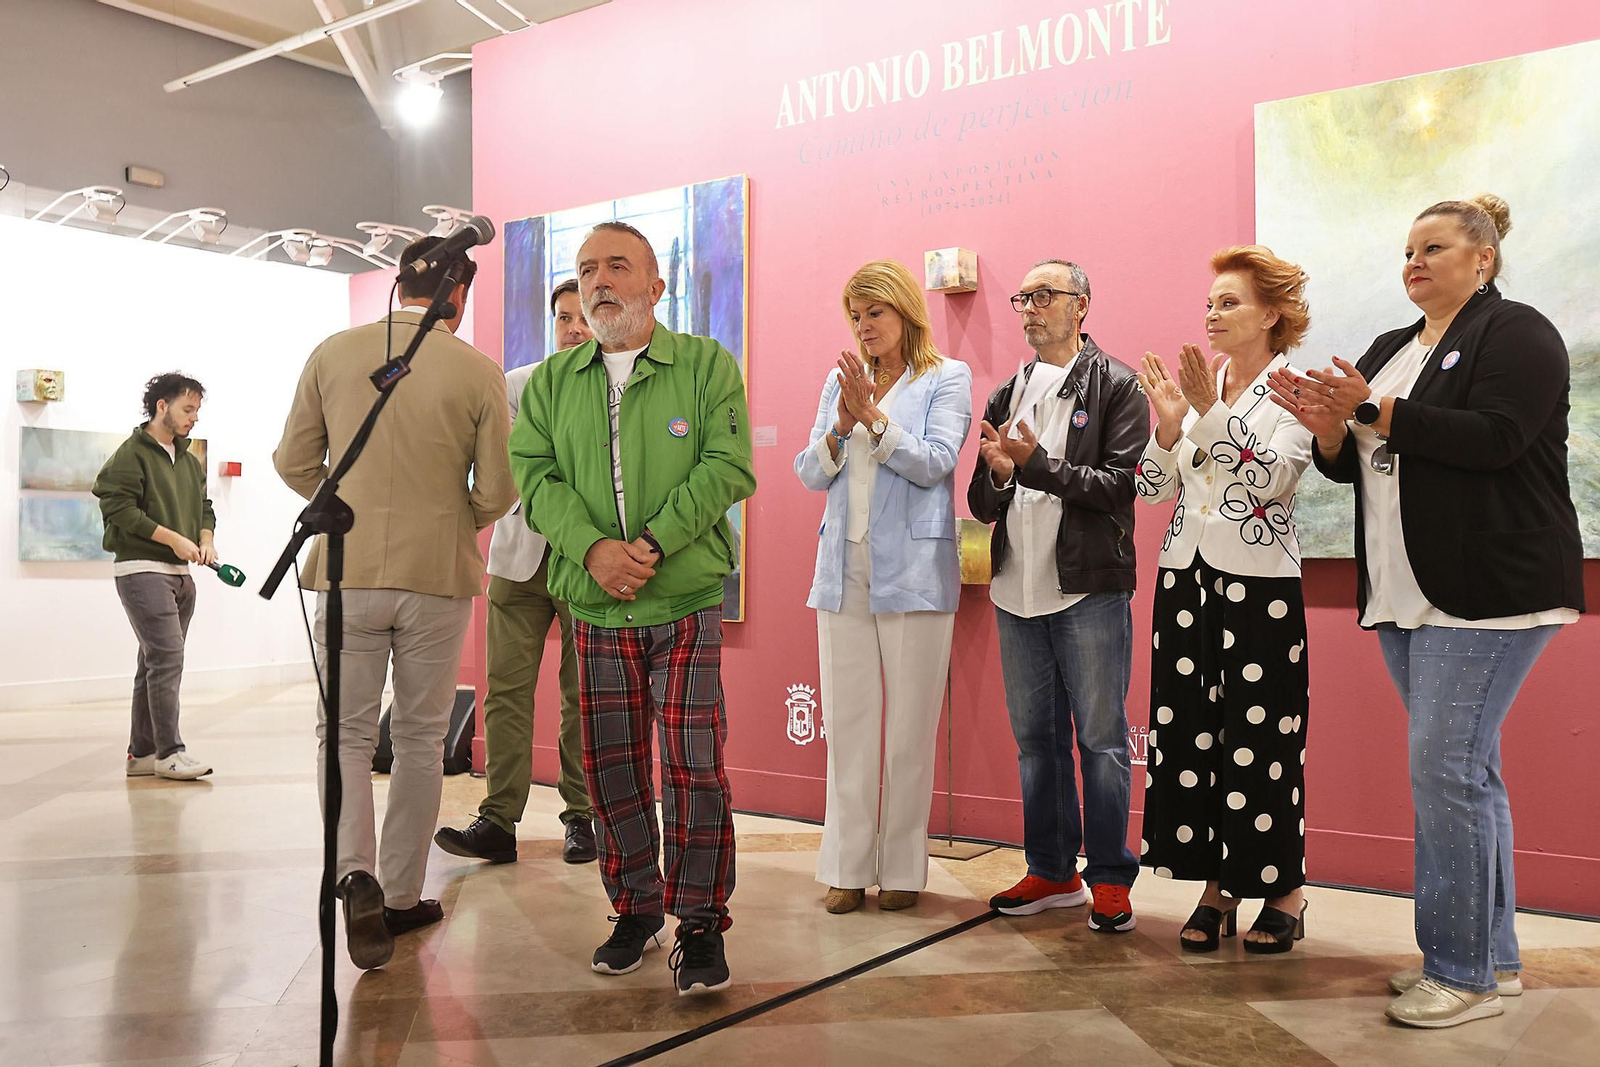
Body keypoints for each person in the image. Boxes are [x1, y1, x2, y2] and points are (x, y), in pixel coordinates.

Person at [1267, 194, 1583, 1028]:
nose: (1414, 262)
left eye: (1433, 248)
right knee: (1467, 772)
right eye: (1408, 250)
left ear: (1483, 258)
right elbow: (1349, 464)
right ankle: (1493, 959)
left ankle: (1460, 971)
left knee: (1446, 773)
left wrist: (1368, 409)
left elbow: (1497, 437)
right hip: (1405, 591)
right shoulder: (1390, 349)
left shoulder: (1518, 333)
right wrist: (1328, 428)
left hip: (1489, 588)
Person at [509, 221, 755, 996]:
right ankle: (636, 908)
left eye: (618, 265)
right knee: (610, 764)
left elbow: (728, 466)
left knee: (693, 763)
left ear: (657, 283)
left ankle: (701, 921)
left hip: (682, 596)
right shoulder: (552, 382)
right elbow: (534, 476)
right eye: (587, 269)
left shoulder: (706, 365)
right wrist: (592, 550)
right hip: (594, 601)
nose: (600, 281)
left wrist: (649, 544)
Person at [273, 237, 516, 971]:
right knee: (418, 738)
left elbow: (292, 460)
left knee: (344, 734)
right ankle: (403, 895)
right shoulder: (478, 370)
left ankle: (355, 875)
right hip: (437, 573)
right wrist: (450, 517)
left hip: (346, 569)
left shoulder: (333, 352)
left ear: (399, 284)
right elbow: (498, 490)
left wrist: (343, 500)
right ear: (458, 295)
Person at [1133, 246, 1314, 953]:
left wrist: (1207, 415)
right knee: (1193, 737)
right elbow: (1153, 489)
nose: (1212, 314)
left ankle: (1284, 889)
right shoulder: (1197, 385)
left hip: (1261, 585)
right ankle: (1217, 886)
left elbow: (1273, 479)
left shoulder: (1294, 389)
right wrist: (1168, 425)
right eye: (1209, 303)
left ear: (1271, 315)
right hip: (1185, 580)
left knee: (1261, 742)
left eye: (1230, 302)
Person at [968, 259, 1149, 932]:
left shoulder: (1118, 385)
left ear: (1081, 306)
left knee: (1101, 741)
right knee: (1035, 742)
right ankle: (1051, 869)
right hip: (1015, 590)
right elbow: (981, 502)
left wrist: (1035, 465)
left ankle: (1109, 878)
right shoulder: (1005, 393)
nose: (1030, 308)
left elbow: (1119, 487)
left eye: (1045, 295)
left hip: (1087, 589)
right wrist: (999, 476)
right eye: (1023, 298)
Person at [795, 260, 973, 914]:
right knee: (846, 723)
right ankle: (845, 867)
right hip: (843, 568)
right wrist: (842, 425)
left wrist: (873, 418)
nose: (865, 326)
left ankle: (901, 867)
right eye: (857, 315)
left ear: (904, 312)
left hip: (916, 573)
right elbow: (810, 471)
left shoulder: (946, 376)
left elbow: (936, 463)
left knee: (908, 729)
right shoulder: (840, 381)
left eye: (875, 312)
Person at [435, 279, 598, 866]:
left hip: (590, 560)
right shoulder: (517, 384)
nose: (573, 328)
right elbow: (509, 470)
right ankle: (498, 820)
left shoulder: (621, 390)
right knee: (504, 692)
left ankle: (582, 818)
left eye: (582, 317)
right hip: (518, 556)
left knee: (584, 696)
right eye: (563, 318)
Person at [93, 372, 216, 782]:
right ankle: (170, 753)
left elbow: (204, 506)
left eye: (197, 410)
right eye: (187, 409)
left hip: (181, 574)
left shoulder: (189, 460)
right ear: (161, 406)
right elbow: (119, 509)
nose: (194, 417)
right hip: (141, 570)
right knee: (167, 659)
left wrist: (205, 538)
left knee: (153, 662)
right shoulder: (131, 454)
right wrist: (173, 539)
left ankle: (143, 753)